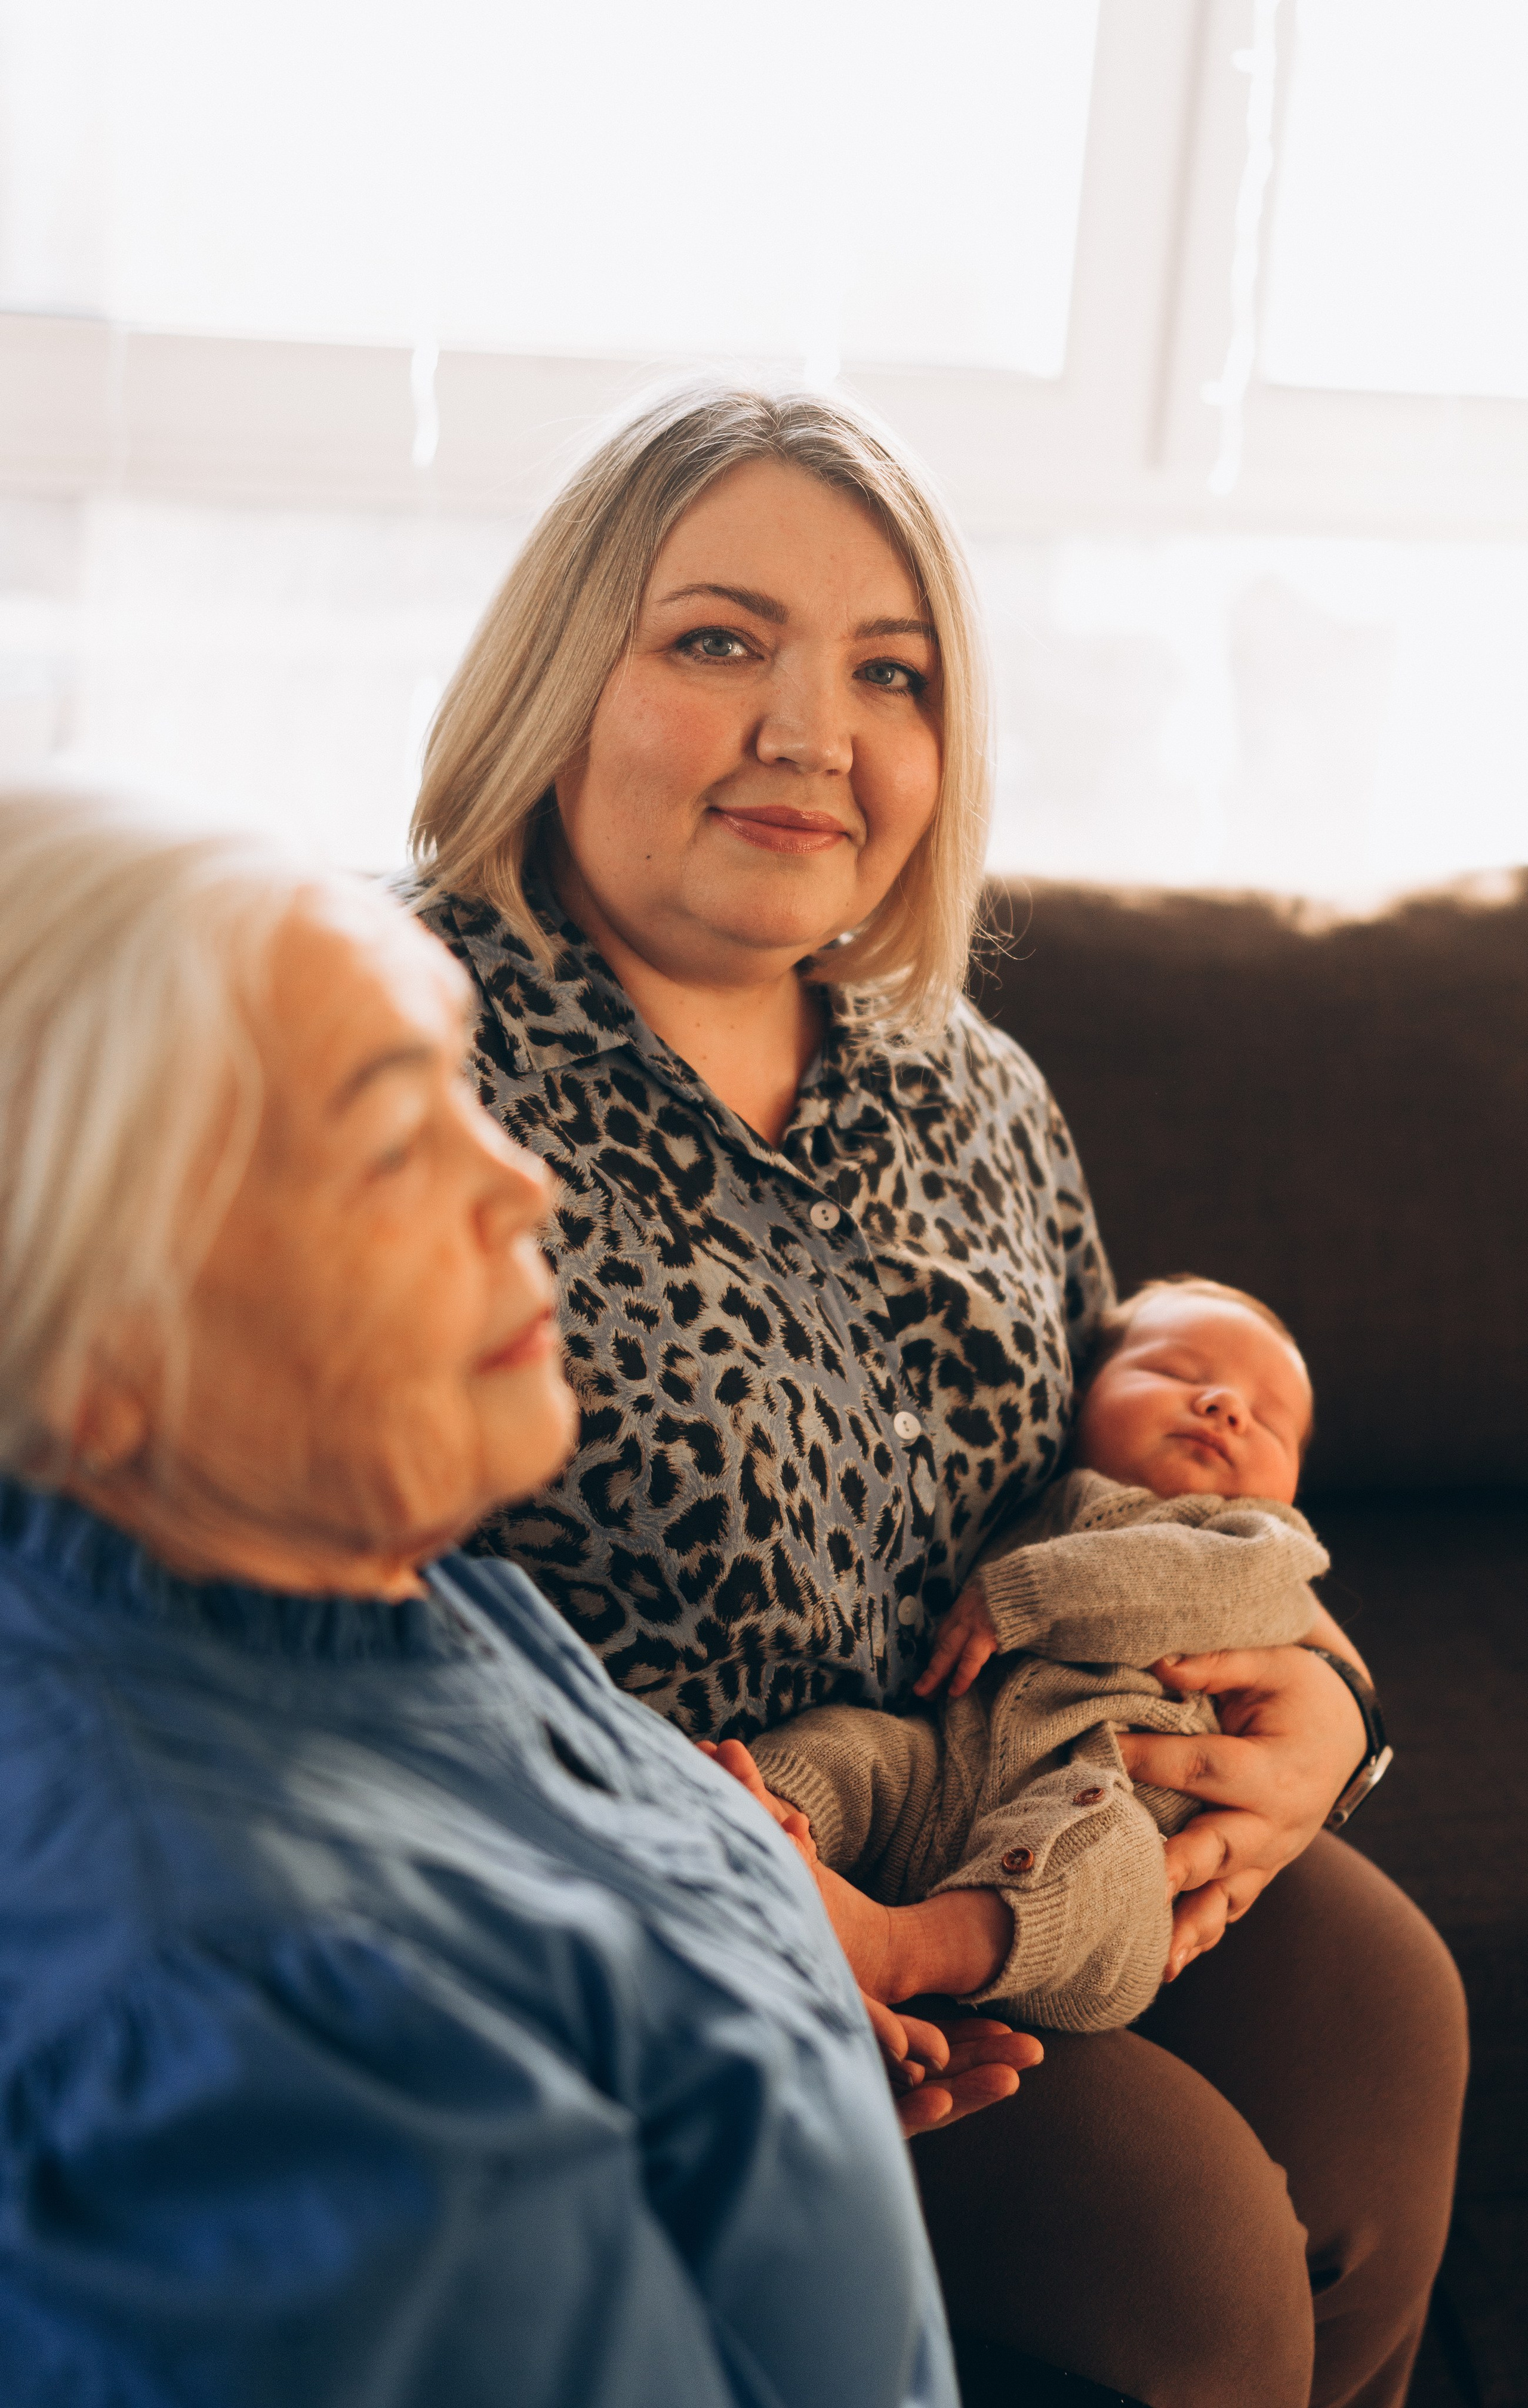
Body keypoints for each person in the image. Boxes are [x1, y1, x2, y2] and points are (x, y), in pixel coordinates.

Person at [411, 380, 1468, 2408]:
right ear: (560, 673)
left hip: (1024, 1794)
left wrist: (1329, 1695)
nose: (812, 731)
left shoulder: (970, 1081)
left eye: (888, 672)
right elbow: (309, 1612)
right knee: (1179, 2256)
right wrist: (705, 1886)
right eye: (718, 639)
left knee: (1377, 2005)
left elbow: (1137, 1472)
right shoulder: (397, 1056)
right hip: (662, 1887)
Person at [0, 787, 1039, 2407]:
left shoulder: (396, 1588)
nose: (526, 1187)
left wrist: (756, 2057)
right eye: (393, 1135)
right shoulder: (261, 2024)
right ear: (93, 1351)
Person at [740, 1277, 1338, 2033]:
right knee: (849, 1749)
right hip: (949, 1757)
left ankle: (896, 1949)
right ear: (1078, 1391)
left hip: (1111, 1797)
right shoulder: (1046, 1494)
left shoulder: (1258, 1541)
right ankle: (758, 1828)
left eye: (1270, 1421)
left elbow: (1208, 1583)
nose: (1224, 1406)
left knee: (1108, 1859)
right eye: (1175, 1374)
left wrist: (1029, 1592)